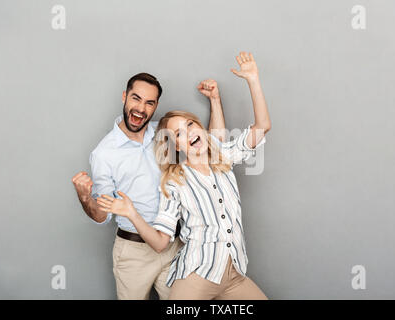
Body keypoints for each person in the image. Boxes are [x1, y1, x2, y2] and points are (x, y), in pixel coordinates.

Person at [96, 52, 271, 299]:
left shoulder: (222, 158)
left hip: (234, 271)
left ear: (200, 127)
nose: (187, 133)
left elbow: (261, 127)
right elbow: (159, 243)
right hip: (199, 274)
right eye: (177, 134)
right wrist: (130, 212)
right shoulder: (175, 182)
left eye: (189, 125)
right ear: (175, 146)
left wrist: (253, 79)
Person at [71, 72, 226, 300]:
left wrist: (215, 100)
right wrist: (85, 198)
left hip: (174, 244)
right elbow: (101, 215)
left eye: (149, 102)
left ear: (156, 106)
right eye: (136, 98)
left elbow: (211, 147)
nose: (141, 108)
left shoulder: (164, 133)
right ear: (124, 97)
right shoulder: (104, 154)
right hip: (133, 253)